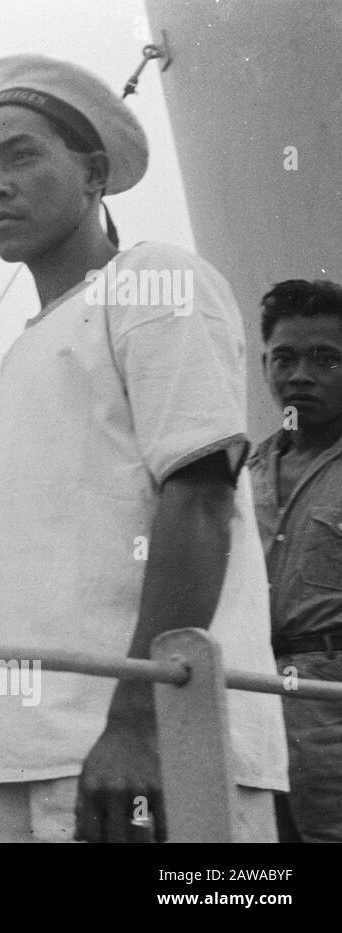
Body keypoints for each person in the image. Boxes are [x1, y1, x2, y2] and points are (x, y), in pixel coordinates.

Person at [0, 54, 287, 842]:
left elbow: (202, 495)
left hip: (155, 747)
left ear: (95, 173)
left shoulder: (154, 282)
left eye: (22, 154)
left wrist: (141, 719)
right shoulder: (27, 354)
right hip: (22, 757)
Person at [247, 278, 342, 843]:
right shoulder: (238, 475)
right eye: (284, 358)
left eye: (325, 359)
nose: (300, 375)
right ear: (264, 365)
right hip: (253, 715)